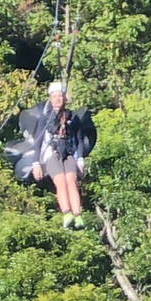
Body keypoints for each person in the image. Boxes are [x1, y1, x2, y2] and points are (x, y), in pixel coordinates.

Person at [31, 81, 87, 229]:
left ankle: (78, 215)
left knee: (71, 180)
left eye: (60, 96)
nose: (58, 99)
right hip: (52, 152)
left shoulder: (72, 117)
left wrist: (80, 160)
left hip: (68, 151)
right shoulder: (45, 119)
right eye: (54, 96)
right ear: (50, 98)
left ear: (64, 98)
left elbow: (79, 140)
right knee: (61, 181)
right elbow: (38, 142)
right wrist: (36, 163)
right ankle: (67, 213)